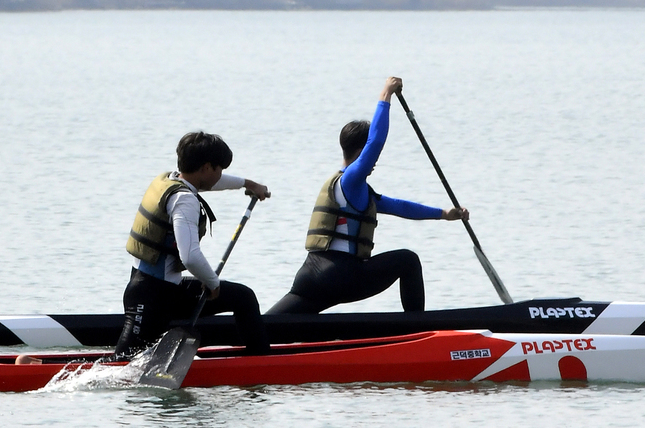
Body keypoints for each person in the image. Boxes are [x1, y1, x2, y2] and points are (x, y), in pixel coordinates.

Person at [267, 75, 468, 315]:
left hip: (310, 277)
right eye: (368, 156)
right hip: (341, 275)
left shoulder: (349, 189)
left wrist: (444, 214)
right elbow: (376, 142)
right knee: (408, 261)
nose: (374, 163)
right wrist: (386, 94)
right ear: (361, 152)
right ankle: (417, 327)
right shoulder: (352, 179)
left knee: (270, 325)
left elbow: (399, 206)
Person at [114, 130, 272, 357]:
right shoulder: (185, 200)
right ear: (206, 168)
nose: (220, 175)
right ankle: (261, 364)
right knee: (122, 363)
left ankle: (259, 358)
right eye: (219, 169)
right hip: (152, 298)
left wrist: (248, 184)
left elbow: (212, 182)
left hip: (157, 289)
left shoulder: (169, 180)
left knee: (242, 297)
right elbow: (190, 256)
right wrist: (212, 283)